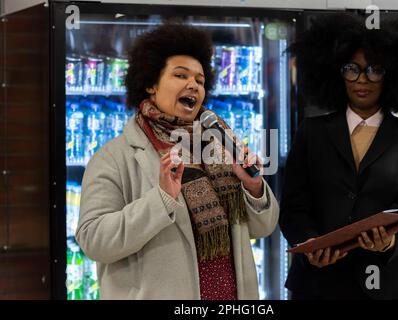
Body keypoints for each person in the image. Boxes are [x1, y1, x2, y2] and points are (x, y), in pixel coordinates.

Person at [76, 24, 279, 300]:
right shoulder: (114, 157)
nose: (193, 84)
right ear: (150, 84)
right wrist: (161, 199)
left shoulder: (220, 146)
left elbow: (262, 228)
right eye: (180, 75)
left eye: (200, 79)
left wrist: (253, 188)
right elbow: (94, 240)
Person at [279, 12, 398, 300]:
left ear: (392, 74)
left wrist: (389, 241)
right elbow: (294, 203)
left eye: (374, 70)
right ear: (336, 72)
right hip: (320, 281)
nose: (362, 80)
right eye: (351, 69)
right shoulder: (311, 132)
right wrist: (309, 243)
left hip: (389, 282)